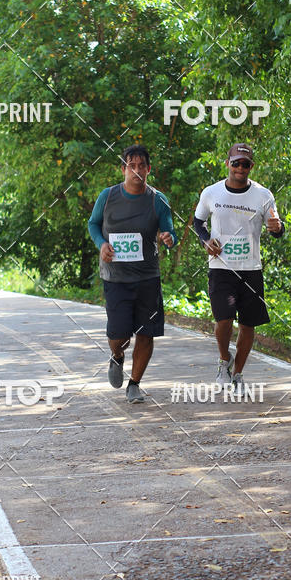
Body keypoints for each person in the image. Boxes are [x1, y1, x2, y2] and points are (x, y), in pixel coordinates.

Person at [88, 145, 178, 403]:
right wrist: (101, 244)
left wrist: (168, 238)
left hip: (147, 278)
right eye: (131, 166)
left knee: (146, 332)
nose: (136, 171)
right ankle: (117, 356)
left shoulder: (157, 200)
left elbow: (169, 231)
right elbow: (93, 224)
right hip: (115, 277)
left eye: (141, 166)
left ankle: (135, 383)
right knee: (118, 335)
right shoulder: (108, 196)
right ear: (124, 169)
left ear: (149, 170)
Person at [193, 143, 284, 393]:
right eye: (236, 163)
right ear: (227, 164)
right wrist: (205, 240)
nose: (240, 168)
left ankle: (238, 374)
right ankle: (224, 361)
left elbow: (275, 227)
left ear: (251, 166)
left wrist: (277, 228)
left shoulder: (263, 195)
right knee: (223, 319)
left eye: (245, 164)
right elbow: (197, 222)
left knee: (247, 325)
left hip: (250, 269)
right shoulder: (211, 193)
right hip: (221, 267)